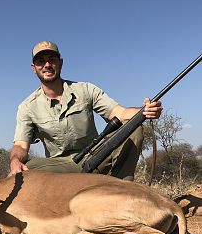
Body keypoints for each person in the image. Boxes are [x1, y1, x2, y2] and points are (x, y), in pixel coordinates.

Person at [9, 41, 162, 180]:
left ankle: (121, 187)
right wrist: (15, 160)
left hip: (95, 157)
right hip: (60, 167)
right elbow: (21, 146)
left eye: (52, 60)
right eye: (41, 61)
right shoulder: (27, 106)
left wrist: (145, 111)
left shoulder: (85, 89)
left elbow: (120, 113)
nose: (47, 65)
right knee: (25, 168)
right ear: (33, 68)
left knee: (133, 129)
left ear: (60, 63)